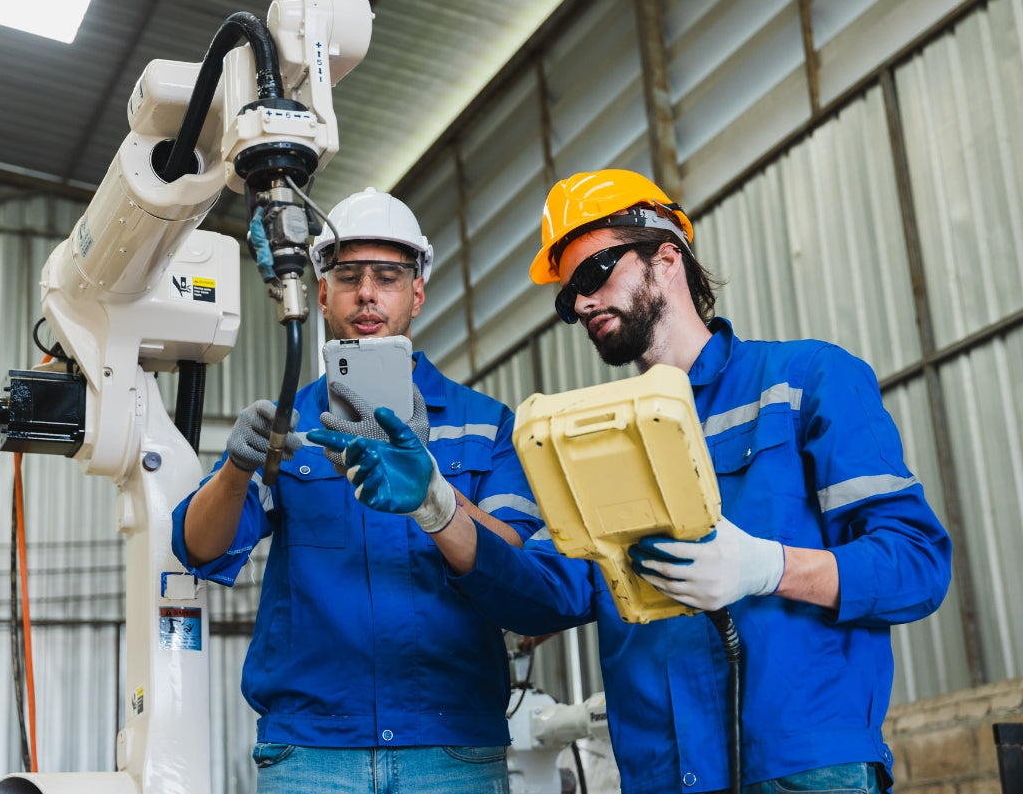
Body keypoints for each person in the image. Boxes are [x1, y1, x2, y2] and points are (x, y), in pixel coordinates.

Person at [309, 170, 953, 794]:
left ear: (666, 258)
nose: (582, 302)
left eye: (594, 273)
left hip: (803, 770)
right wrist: (439, 507)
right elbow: (547, 593)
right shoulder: (591, 438)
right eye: (569, 298)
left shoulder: (803, 381)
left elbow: (917, 565)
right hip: (661, 774)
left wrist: (767, 567)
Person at [171, 187, 543, 793]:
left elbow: (520, 565)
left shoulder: (484, 423)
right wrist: (237, 467)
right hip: (313, 753)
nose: (367, 293)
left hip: (451, 749)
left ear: (416, 292)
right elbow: (202, 548)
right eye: (348, 275)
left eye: (388, 276)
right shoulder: (289, 425)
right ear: (320, 291)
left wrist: (434, 491)